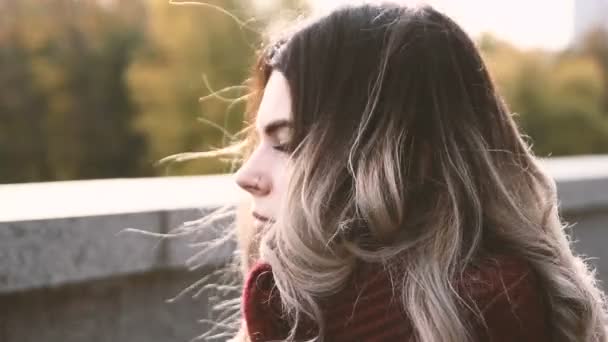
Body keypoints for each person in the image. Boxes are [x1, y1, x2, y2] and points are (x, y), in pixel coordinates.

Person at [226, 2, 608, 341]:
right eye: (259, 140)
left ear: (403, 159)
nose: (246, 174)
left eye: (287, 144)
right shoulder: (293, 302)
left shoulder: (486, 308)